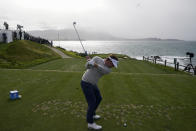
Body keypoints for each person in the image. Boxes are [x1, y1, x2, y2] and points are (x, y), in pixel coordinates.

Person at [81, 54, 119, 130]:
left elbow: (101, 69)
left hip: (93, 83)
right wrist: (89, 62)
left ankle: (93, 114)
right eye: (113, 64)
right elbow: (87, 67)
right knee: (92, 102)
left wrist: (94, 64)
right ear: (109, 60)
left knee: (99, 98)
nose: (113, 67)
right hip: (86, 83)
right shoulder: (97, 58)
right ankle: (90, 123)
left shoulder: (108, 70)